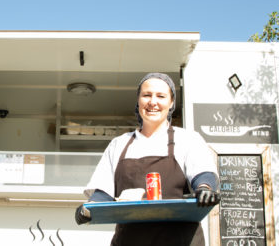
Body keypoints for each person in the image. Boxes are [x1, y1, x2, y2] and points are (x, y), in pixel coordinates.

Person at [75, 73, 220, 246]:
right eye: (146, 95)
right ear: (138, 100)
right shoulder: (119, 144)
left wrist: (205, 188)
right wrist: (89, 208)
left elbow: (203, 174)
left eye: (161, 96)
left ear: (171, 103)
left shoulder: (188, 139)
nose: (153, 102)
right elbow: (103, 192)